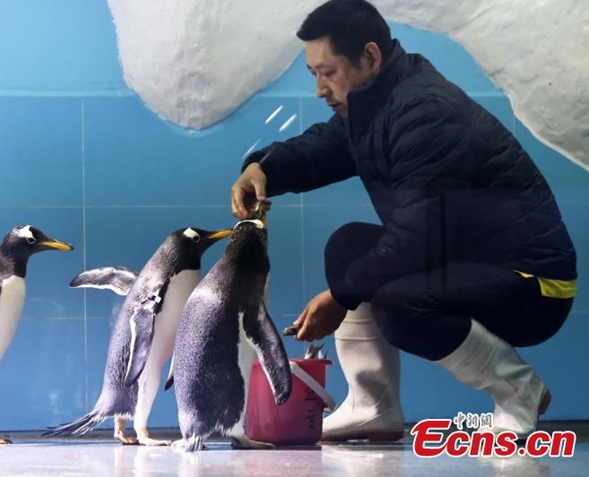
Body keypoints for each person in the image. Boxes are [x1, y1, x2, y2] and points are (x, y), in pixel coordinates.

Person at [230, 0, 576, 442]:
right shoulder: (377, 103)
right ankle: (373, 405)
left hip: (534, 284)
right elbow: (322, 149)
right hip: (470, 260)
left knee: (398, 302)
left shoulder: (424, 111)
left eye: (328, 72)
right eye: (313, 74)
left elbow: (415, 239)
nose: (320, 88)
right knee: (348, 245)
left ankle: (519, 389)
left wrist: (338, 297)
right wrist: (264, 168)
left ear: (370, 57)